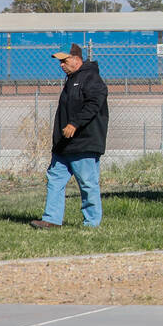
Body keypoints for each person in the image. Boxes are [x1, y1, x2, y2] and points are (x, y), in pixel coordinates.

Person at [30, 43, 109, 229]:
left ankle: (91, 223)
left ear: (76, 59)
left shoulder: (91, 78)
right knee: (55, 179)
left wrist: (75, 124)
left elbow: (95, 103)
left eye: (64, 61)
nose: (61, 65)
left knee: (87, 183)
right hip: (64, 145)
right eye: (59, 62)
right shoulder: (72, 79)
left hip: (83, 143)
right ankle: (51, 219)